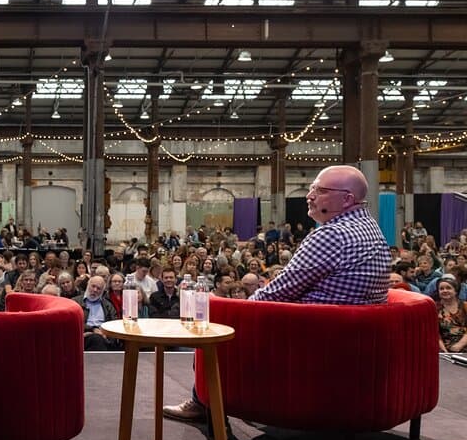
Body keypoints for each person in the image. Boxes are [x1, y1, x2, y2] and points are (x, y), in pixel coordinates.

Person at [165, 165, 391, 422]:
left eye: (320, 190)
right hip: (351, 341)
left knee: (215, 320)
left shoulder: (332, 235)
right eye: (311, 188)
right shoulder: (372, 229)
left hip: (310, 340)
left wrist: (240, 313)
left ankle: (204, 402)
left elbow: (277, 292)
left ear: (347, 198)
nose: (310, 195)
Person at [72, 275, 118, 351]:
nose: (95, 290)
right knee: (96, 339)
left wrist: (105, 333)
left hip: (104, 337)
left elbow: (114, 323)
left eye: (98, 288)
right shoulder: (75, 302)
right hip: (83, 336)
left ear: (102, 291)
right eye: (93, 286)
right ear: (88, 284)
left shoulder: (107, 305)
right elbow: (73, 323)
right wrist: (92, 330)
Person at [437, 275, 467, 353]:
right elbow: (434, 333)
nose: (444, 291)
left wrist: (459, 345)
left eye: (448, 288)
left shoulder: (465, 306)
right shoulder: (434, 309)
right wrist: (445, 352)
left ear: (456, 291)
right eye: (441, 289)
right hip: (445, 349)